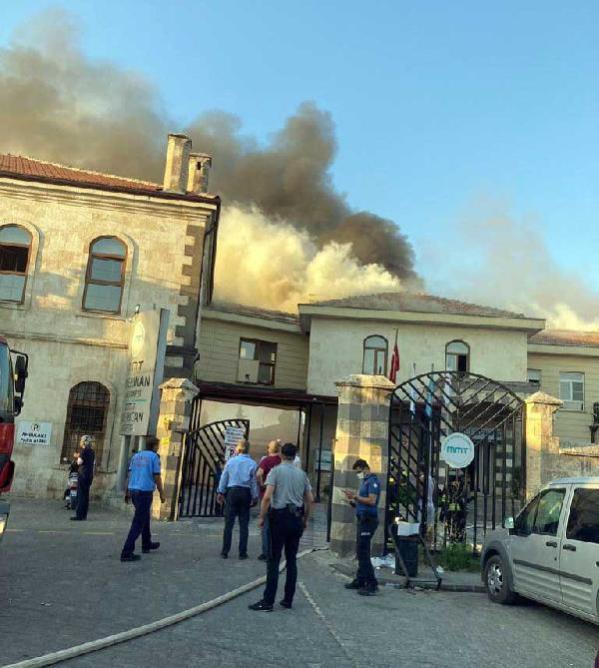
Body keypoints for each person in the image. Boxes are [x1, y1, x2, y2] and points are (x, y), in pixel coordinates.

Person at [249, 442, 314, 612]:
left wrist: (262, 517)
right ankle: (288, 599)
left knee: (273, 560)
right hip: (296, 519)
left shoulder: (276, 472)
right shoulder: (302, 474)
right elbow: (310, 499)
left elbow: (267, 497)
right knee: (291, 560)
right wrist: (306, 519)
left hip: (279, 518)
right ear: (294, 455)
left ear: (282, 455)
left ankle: (268, 600)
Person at [121, 436, 165, 562]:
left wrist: (127, 491)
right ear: (155, 446)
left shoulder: (136, 456)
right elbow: (157, 477)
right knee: (138, 522)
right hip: (144, 492)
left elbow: (129, 474)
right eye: (158, 445)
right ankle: (127, 551)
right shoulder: (154, 457)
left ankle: (146, 543)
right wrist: (161, 493)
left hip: (134, 490)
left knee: (144, 517)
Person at [343, 459, 381, 596]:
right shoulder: (365, 482)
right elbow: (362, 502)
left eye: (358, 471)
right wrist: (352, 501)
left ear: (363, 468)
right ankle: (360, 579)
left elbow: (372, 500)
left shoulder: (372, 481)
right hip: (362, 518)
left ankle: (372, 584)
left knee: (363, 551)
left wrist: (356, 496)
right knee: (360, 550)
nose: (358, 474)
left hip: (368, 520)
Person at [217, 440, 259, 559]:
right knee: (244, 524)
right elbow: (253, 482)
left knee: (229, 523)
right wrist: (255, 496)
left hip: (232, 491)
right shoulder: (252, 463)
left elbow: (224, 477)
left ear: (238, 449)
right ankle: (242, 552)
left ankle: (225, 551)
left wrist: (221, 491)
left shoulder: (231, 461)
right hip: (245, 492)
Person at [256, 440, 282, 560]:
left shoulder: (265, 460)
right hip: (279, 497)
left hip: (266, 494)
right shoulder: (281, 461)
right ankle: (275, 551)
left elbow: (259, 473)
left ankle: (265, 552)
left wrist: (262, 483)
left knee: (265, 526)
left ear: (269, 449)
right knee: (276, 526)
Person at [71, 435, 95, 521]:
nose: (80, 442)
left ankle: (79, 515)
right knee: (86, 495)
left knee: (80, 495)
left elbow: (79, 462)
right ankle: (84, 515)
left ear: (84, 442)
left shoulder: (84, 451)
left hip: (83, 474)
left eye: (81, 440)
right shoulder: (92, 451)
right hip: (89, 475)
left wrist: (77, 456)